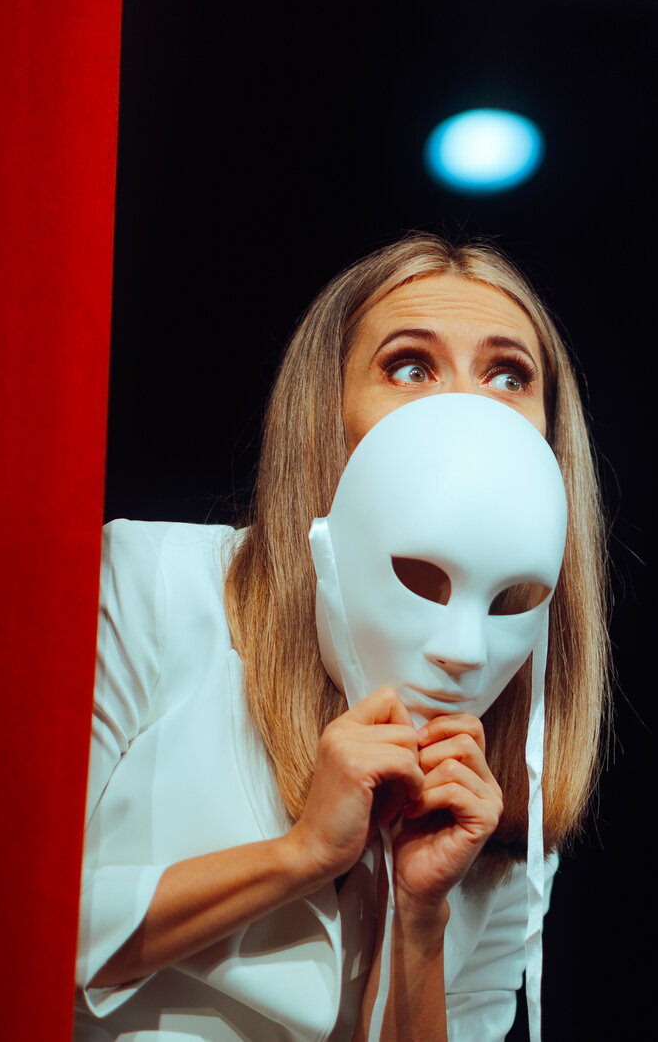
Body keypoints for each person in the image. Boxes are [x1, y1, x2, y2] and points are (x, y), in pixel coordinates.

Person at [77, 233, 611, 1042]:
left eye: (509, 376)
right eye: (411, 366)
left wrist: (421, 920)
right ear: (331, 416)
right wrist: (298, 856)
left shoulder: (511, 772)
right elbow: (4, 924)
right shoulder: (152, 582)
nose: (464, 408)